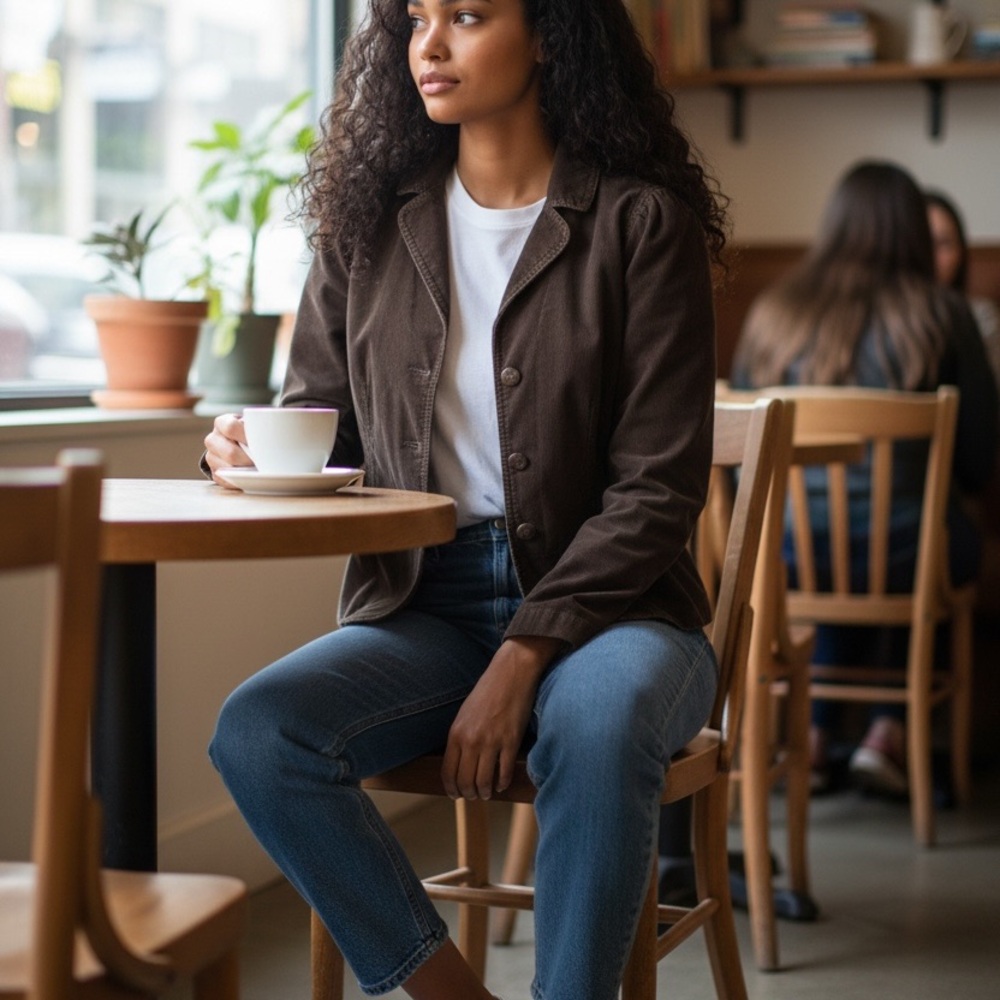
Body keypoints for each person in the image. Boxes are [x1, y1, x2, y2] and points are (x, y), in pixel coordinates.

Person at [202, 2, 729, 998]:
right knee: (259, 732)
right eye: (416, 19)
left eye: (469, 15)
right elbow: (322, 430)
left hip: (618, 614)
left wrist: (527, 650)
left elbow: (657, 490)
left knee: (599, 720)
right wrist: (239, 445)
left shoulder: (638, 223)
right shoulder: (369, 225)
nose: (429, 46)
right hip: (425, 602)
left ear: (549, 35)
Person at [730, 160, 998, 798]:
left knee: (842, 544)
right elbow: (980, 460)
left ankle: (814, 737)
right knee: (920, 539)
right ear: (910, 231)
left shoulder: (773, 313)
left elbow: (736, 447)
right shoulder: (943, 315)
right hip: (905, 555)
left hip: (784, 555)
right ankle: (888, 732)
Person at [926, 189, 1000, 390]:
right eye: (924, 242)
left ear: (961, 253)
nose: (932, 255)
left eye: (944, 243)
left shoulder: (979, 316)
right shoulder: (885, 320)